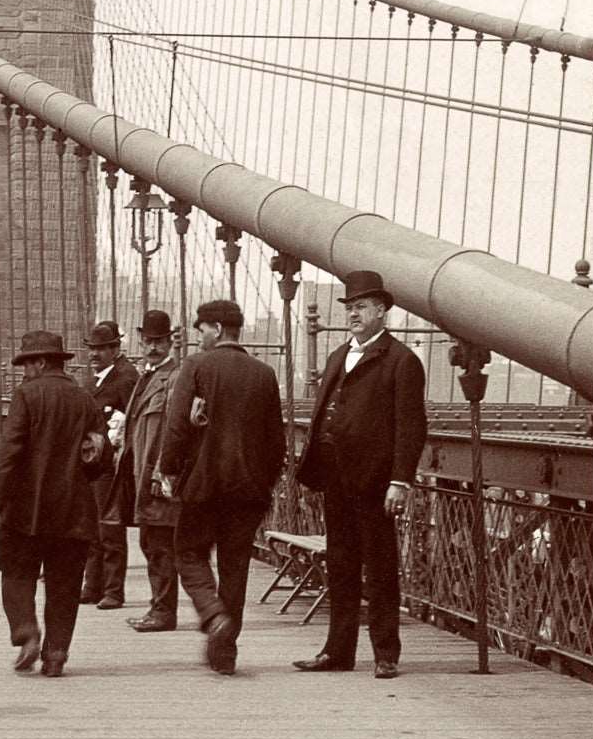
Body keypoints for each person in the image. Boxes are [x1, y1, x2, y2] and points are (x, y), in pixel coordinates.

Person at [291, 270, 427, 679]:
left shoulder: (402, 361)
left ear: (383, 311)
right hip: (335, 478)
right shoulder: (337, 356)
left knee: (381, 568)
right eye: (350, 307)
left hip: (375, 481)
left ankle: (386, 653)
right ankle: (338, 651)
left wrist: (400, 481)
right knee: (341, 565)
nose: (353, 313)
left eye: (362, 306)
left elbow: (410, 426)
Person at [157, 299, 286, 674]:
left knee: (189, 554)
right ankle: (225, 652)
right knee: (235, 568)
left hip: (203, 484)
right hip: (248, 491)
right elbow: (276, 442)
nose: (198, 339)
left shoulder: (197, 366)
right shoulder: (264, 374)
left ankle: (213, 617)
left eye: (200, 331)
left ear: (214, 328)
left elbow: (178, 426)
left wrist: (168, 469)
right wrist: (263, 482)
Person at [0, 330, 107, 678]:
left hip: (27, 509)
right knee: (65, 585)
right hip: (75, 510)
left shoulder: (26, 395)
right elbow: (102, 459)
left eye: (26, 364)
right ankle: (56, 654)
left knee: (16, 572)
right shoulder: (85, 399)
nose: (23, 372)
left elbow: (10, 451)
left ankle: (26, 631)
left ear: (39, 363)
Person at [112, 310, 183, 632]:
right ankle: (159, 608)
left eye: (159, 341)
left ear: (170, 342)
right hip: (139, 473)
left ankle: (163, 612)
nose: (153, 347)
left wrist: (162, 473)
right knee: (151, 543)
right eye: (148, 341)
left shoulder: (174, 378)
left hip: (157, 477)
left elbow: (174, 432)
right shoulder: (147, 376)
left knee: (160, 546)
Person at [79, 319, 139, 609]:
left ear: (116, 349)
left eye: (101, 348)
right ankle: (93, 585)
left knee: (109, 527)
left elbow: (133, 421)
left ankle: (113, 590)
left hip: (111, 466)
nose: (94, 354)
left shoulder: (126, 378)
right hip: (91, 463)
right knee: (92, 526)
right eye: (92, 348)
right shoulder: (94, 379)